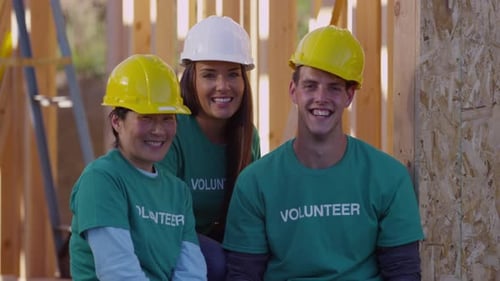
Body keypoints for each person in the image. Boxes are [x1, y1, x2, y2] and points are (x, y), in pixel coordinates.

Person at [223, 25, 425, 280]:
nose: (321, 97)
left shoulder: (389, 178)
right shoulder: (255, 183)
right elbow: (244, 275)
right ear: (293, 91)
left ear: (349, 95)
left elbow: (403, 273)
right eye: (310, 86)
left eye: (334, 88)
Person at [69, 54, 206, 281]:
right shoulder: (101, 180)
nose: (159, 130)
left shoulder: (178, 192)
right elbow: (119, 273)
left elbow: (192, 273)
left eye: (167, 118)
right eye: (147, 118)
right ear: (116, 121)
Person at [158, 15, 260, 281]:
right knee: (215, 262)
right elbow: (160, 222)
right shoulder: (172, 131)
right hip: (168, 243)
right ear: (191, 78)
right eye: (209, 75)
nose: (222, 86)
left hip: (219, 246)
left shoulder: (248, 136)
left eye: (232, 74)